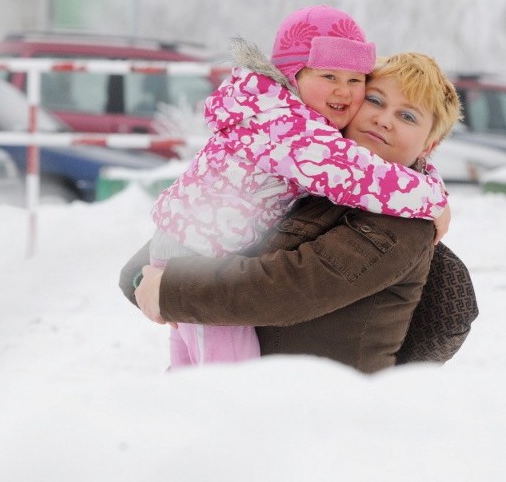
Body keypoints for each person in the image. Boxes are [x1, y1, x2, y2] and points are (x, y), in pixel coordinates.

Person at [121, 51, 476, 374]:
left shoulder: (400, 223)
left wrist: (169, 290)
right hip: (262, 399)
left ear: (430, 144)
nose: (384, 120)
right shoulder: (310, 179)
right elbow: (161, 254)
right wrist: (150, 278)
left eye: (407, 116)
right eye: (374, 100)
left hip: (314, 414)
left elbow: (288, 287)